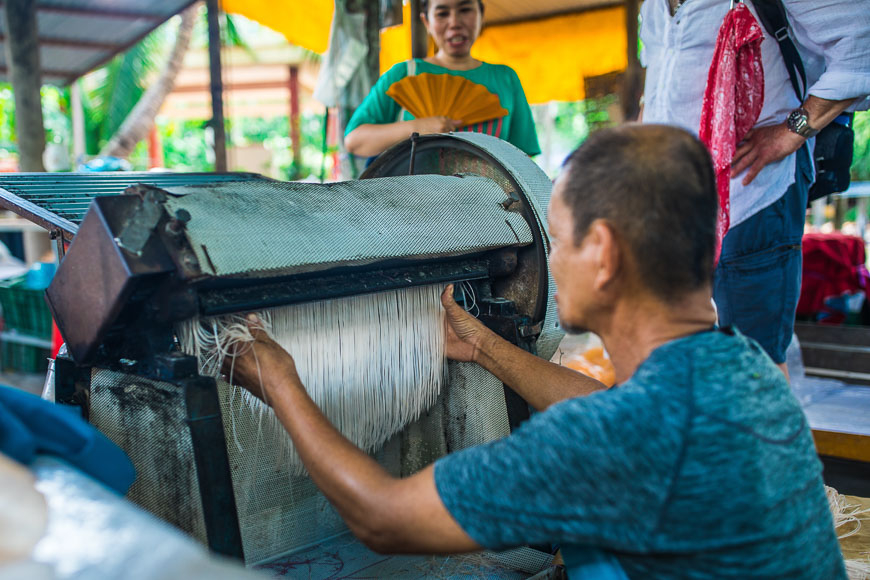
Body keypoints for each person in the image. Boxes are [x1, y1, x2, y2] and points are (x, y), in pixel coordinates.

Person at [225, 125, 845, 578]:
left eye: (557, 237)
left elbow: (382, 519)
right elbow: (616, 406)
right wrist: (483, 347)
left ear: (601, 253)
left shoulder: (609, 443)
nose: (551, 259)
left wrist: (278, 377)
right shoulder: (743, 367)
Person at [639, 0, 870, 377]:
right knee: (682, 358)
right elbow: (660, 75)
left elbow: (863, 44)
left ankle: (760, 437)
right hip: (672, 209)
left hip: (751, 199)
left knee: (752, 364)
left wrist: (793, 130)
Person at [344, 0, 540, 158]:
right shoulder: (404, 74)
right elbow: (355, 140)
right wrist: (417, 127)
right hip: (413, 202)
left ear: (481, 13)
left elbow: (523, 158)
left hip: (488, 204)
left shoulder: (505, 78)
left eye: (465, 9)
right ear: (426, 22)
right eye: (442, 13)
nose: (454, 22)